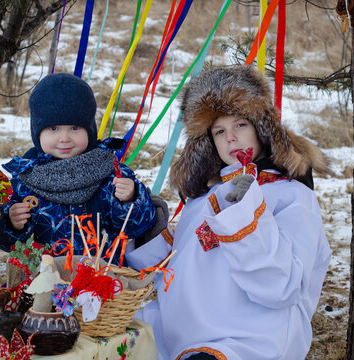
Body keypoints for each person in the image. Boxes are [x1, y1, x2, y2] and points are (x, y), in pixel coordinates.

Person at [126, 65, 332, 360]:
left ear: (262, 127)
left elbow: (283, 286)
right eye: (219, 131)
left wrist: (246, 213)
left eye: (240, 125)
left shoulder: (292, 196)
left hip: (247, 339)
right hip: (175, 332)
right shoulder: (204, 198)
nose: (231, 138)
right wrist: (139, 218)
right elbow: (162, 259)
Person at [0, 73, 161, 262]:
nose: (64, 138)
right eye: (54, 129)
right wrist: (11, 224)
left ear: (89, 130)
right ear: (37, 133)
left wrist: (130, 200)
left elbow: (137, 229)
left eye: (75, 128)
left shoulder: (112, 174)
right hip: (43, 283)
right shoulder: (24, 182)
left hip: (104, 280)